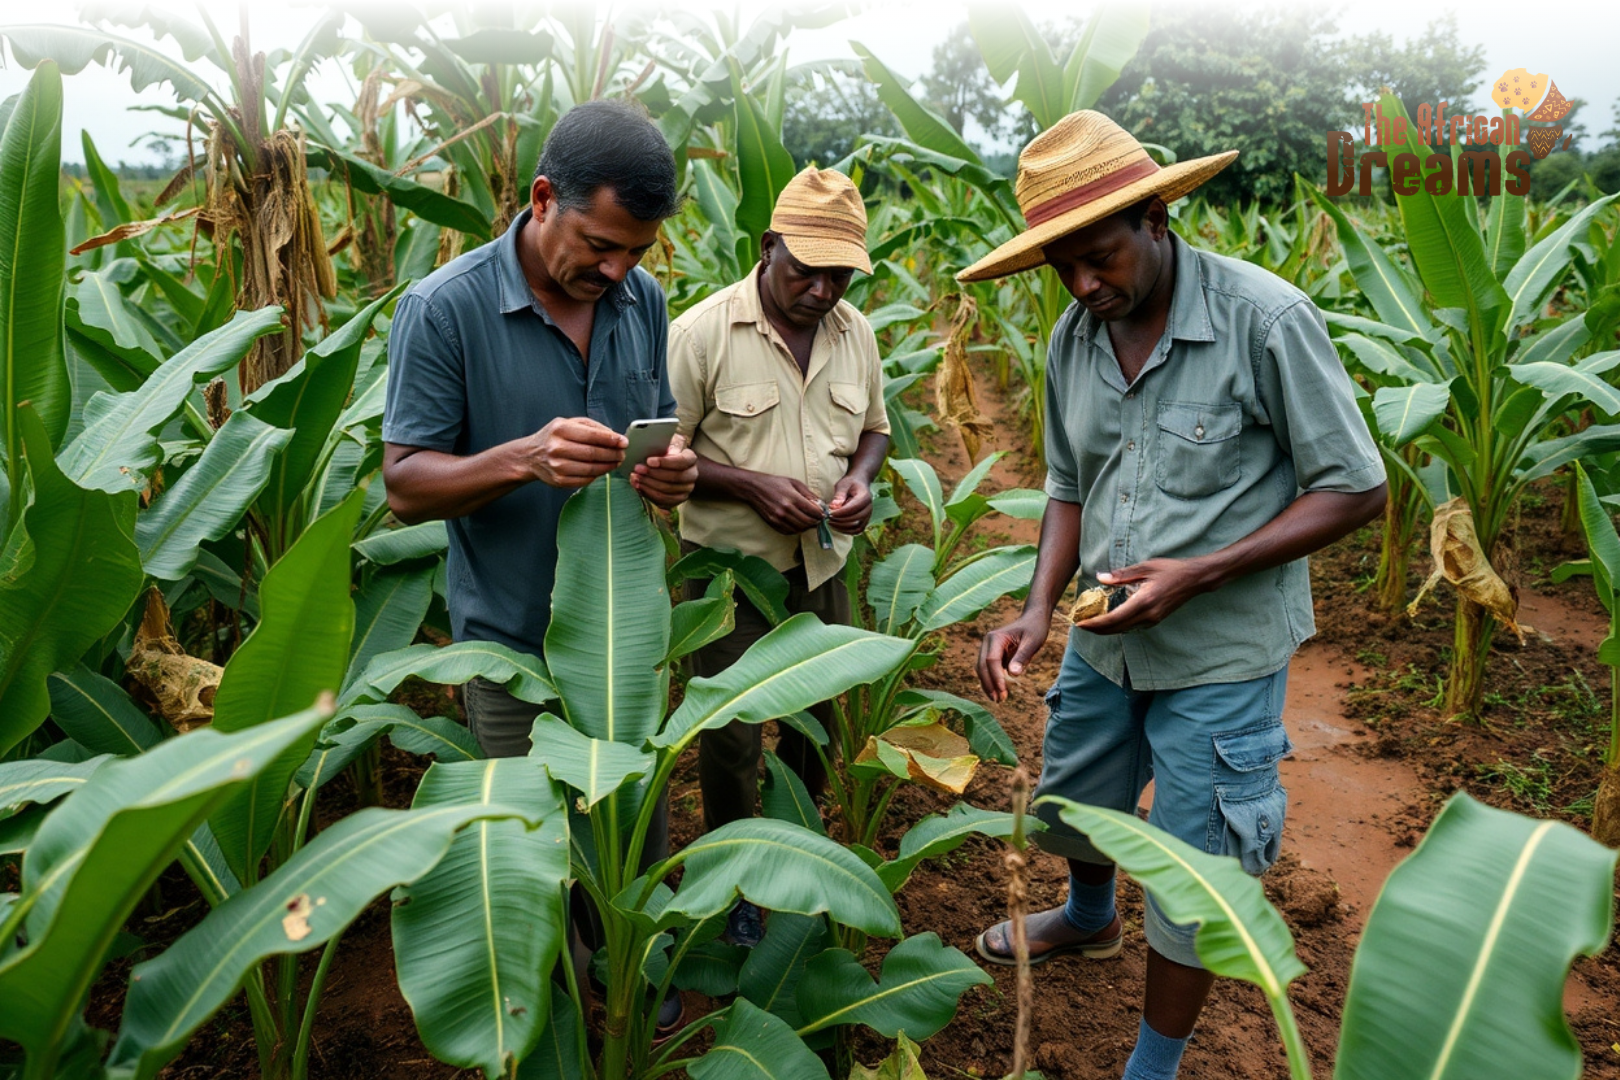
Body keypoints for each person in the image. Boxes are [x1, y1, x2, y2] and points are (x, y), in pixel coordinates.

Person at [959, 112, 1387, 1080]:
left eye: (1099, 259)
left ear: (1156, 218)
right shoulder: (1076, 337)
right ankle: (1088, 914)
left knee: (1197, 875)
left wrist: (1198, 572)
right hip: (1106, 640)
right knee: (1077, 798)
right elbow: (1071, 485)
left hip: (1221, 653)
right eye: (1062, 268)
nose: (1082, 286)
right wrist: (1036, 610)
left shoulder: (1264, 321)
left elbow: (1357, 487)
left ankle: (1152, 1065)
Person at [380, 100, 697, 1029]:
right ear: (542, 197)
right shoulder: (446, 310)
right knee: (529, 849)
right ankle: (543, 1011)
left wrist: (669, 474)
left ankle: (626, 973)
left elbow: (657, 425)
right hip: (512, 638)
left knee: (627, 829)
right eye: (600, 245)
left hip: (627, 632)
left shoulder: (642, 302)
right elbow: (404, 483)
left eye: (636, 251)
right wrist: (522, 457)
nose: (617, 270)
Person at [668, 166, 890, 945]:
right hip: (729, 576)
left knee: (816, 727)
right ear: (767, 249)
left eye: (838, 276)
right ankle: (738, 881)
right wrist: (750, 486)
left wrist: (861, 480)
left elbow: (875, 429)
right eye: (806, 271)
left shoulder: (853, 331)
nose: (823, 291)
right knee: (730, 739)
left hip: (823, 566)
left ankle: (800, 848)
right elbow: (667, 458)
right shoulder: (700, 334)